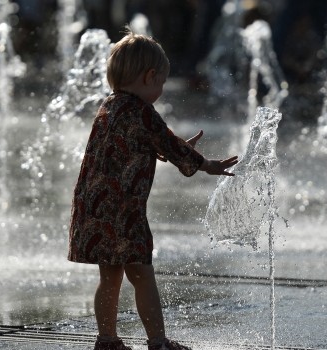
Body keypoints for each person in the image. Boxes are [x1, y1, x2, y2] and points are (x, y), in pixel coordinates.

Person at [67, 28, 239, 350]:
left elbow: (127, 148)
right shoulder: (142, 111)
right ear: (149, 77)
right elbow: (170, 144)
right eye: (160, 82)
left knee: (110, 277)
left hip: (95, 207)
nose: (160, 89)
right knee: (142, 275)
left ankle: (107, 341)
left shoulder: (108, 107)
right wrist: (207, 165)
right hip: (123, 213)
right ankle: (158, 343)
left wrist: (162, 150)